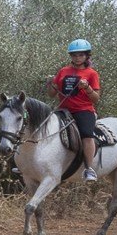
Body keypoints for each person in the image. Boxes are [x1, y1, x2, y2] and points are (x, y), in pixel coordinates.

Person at [46, 38, 101, 182]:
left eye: (81, 55)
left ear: (86, 56)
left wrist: (87, 88)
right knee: (45, 127)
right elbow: (52, 94)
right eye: (74, 55)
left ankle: (89, 169)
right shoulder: (63, 71)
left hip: (83, 110)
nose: (77, 58)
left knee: (86, 134)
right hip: (63, 110)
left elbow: (96, 99)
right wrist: (51, 84)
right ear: (71, 56)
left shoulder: (92, 73)